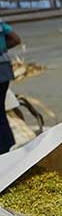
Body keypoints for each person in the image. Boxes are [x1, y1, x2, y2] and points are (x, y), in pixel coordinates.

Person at [0, 19, 20, 155]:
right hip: (5, 68)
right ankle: (9, 148)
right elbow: (16, 39)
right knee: (1, 112)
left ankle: (4, 151)